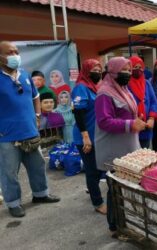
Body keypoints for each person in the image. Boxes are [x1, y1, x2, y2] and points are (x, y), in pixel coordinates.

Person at [0, 41, 60, 218]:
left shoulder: (24, 74)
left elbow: (36, 96)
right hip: (7, 136)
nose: (15, 55)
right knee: (9, 172)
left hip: (30, 131)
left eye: (16, 51)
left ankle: (40, 194)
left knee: (37, 166)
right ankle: (13, 203)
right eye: (10, 52)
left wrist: (37, 115)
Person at [94, 57, 146, 233]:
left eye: (130, 70)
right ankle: (115, 226)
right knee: (115, 188)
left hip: (126, 146)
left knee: (125, 188)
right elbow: (104, 121)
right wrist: (130, 124)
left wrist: (137, 119)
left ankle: (125, 223)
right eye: (125, 70)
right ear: (113, 71)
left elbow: (128, 112)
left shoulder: (123, 89)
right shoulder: (104, 93)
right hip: (113, 148)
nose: (129, 73)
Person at [71, 59, 106, 215]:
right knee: (92, 169)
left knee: (99, 168)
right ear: (86, 71)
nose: (97, 73)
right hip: (86, 136)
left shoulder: (96, 86)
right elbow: (78, 114)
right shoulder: (81, 88)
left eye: (99, 70)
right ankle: (97, 202)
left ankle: (92, 187)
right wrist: (85, 137)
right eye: (94, 70)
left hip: (97, 135)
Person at [128, 56, 157, 148]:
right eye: (135, 67)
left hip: (146, 126)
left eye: (140, 67)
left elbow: (154, 102)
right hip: (132, 126)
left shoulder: (147, 83)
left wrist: (152, 118)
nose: (138, 70)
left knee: (144, 154)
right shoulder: (126, 84)